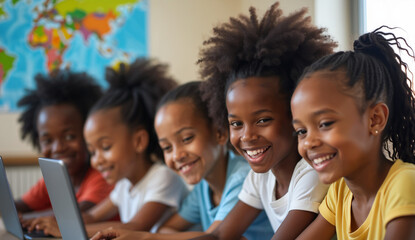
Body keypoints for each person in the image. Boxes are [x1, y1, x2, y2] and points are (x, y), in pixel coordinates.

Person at [196, 2, 335, 239]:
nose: (247, 136)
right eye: (236, 123)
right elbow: (220, 236)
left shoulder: (311, 171)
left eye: (262, 120)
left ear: (296, 117)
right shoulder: (262, 176)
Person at [90, 81, 274, 240]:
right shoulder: (203, 188)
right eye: (167, 148)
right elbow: (167, 229)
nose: (177, 155)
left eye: (186, 139)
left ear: (219, 133)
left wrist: (147, 237)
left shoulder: (242, 177)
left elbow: (213, 237)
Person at [29, 58, 189, 237]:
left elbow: (136, 227)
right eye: (92, 151)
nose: (96, 161)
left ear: (138, 141)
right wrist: (53, 223)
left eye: (105, 147)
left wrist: (63, 229)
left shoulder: (164, 177)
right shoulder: (124, 185)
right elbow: (91, 215)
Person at [291, 26, 415, 239]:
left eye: (325, 123)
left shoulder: (404, 183)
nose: (309, 142)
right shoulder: (341, 192)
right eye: (301, 131)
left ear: (375, 119)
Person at [15, 70, 112, 223]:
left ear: (89, 133)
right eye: (47, 140)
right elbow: (16, 207)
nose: (58, 148)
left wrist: (21, 219)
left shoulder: (101, 174)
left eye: (69, 137)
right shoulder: (53, 179)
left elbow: (75, 215)